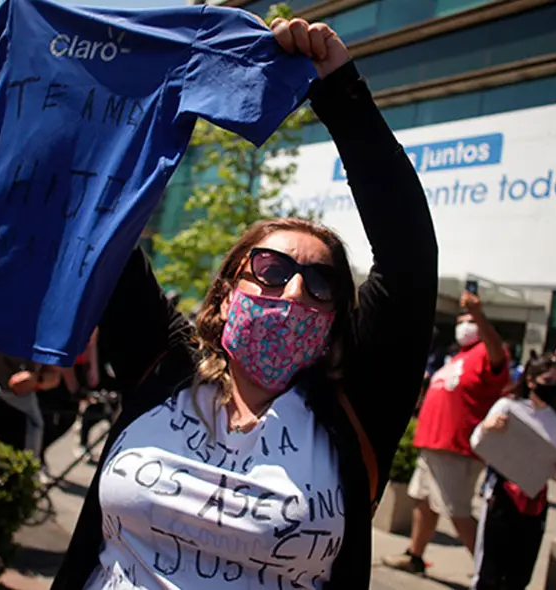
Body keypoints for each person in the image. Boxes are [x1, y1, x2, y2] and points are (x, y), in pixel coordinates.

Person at [51, 18, 436, 590]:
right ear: (228, 290)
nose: (295, 291)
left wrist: (339, 91)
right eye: (273, 271)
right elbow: (96, 207)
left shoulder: (354, 411)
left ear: (336, 318)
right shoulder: (165, 368)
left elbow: (410, 257)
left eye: (321, 283)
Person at [384, 290, 509, 575]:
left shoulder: (487, 354)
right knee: (424, 502)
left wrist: (478, 314)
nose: (464, 325)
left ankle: (491, 573)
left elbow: (496, 350)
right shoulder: (457, 357)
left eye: (470, 321)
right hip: (433, 444)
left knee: (457, 511)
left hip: (457, 448)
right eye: (461, 321)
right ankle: (415, 556)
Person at [470, 352, 556, 590]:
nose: (552, 386)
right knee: (490, 566)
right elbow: (477, 441)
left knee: (520, 570)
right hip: (501, 494)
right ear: (531, 381)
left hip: (534, 498)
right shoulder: (508, 407)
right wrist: (488, 427)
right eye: (547, 380)